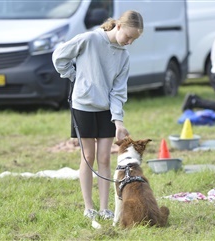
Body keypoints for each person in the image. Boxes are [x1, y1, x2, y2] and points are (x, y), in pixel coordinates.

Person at [52, 10, 144, 220]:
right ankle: (89, 208)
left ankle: (105, 209)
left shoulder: (123, 56)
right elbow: (59, 56)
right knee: (89, 157)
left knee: (105, 158)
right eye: (128, 36)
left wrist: (118, 122)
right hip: (82, 106)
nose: (129, 42)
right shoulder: (90, 39)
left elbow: (118, 92)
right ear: (118, 26)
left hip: (106, 111)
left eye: (134, 39)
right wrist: (74, 76)